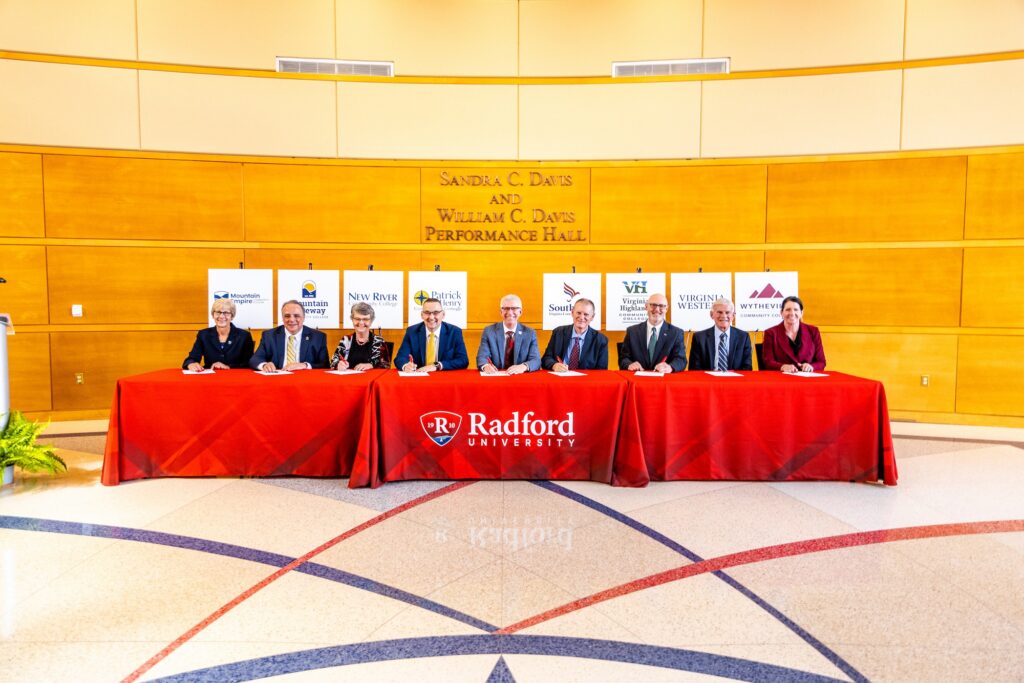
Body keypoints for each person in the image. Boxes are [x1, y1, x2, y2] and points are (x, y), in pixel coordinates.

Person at [249, 299, 329, 372]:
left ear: (304, 318)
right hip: (277, 380)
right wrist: (264, 365)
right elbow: (255, 359)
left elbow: (325, 364)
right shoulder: (269, 336)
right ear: (282, 318)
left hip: (305, 380)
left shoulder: (318, 337)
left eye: (296, 316)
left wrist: (304, 365)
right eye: (287, 316)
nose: (291, 320)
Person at [395, 298, 469, 372]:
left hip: (444, 379)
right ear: (422, 315)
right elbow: (400, 358)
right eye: (427, 312)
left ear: (443, 315)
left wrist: (438, 365)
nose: (431, 317)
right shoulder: (412, 332)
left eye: (436, 313)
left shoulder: (454, 332)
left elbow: (463, 360)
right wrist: (406, 366)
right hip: (419, 379)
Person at [618, 293, 686, 372]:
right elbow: (623, 358)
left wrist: (670, 367)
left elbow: (681, 360)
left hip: (664, 381)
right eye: (653, 305)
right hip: (638, 381)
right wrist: (629, 364)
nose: (657, 309)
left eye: (661, 306)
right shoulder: (632, 332)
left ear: (666, 309)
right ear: (646, 307)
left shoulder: (676, 333)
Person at [476, 294, 541, 374]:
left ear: (520, 312)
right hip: (496, 379)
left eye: (514, 308)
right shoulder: (489, 331)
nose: (510, 312)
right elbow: (482, 356)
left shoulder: (530, 333)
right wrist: (485, 365)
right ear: (501, 312)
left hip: (520, 379)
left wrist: (523, 366)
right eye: (506, 308)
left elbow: (536, 360)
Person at [183, 298, 254, 371]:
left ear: (232, 316)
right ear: (213, 315)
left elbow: (248, 363)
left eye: (226, 313)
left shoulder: (244, 336)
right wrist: (191, 364)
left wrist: (228, 367)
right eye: (218, 312)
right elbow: (191, 358)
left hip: (235, 378)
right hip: (211, 378)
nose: (221, 316)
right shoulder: (203, 335)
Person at [761, 295, 826, 373]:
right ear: (781, 313)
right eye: (788, 310)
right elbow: (767, 362)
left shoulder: (813, 331)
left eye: (796, 310)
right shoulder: (771, 333)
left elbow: (821, 362)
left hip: (807, 379)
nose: (792, 313)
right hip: (782, 380)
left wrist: (811, 366)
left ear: (801, 313)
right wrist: (782, 366)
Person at [541, 298, 608, 371]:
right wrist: (554, 365)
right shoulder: (558, 333)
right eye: (578, 313)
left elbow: (602, 371)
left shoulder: (601, 340)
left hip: (586, 381)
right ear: (572, 312)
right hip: (560, 379)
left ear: (592, 317)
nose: (582, 317)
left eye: (586, 314)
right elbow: (546, 359)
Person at [687, 297, 753, 371]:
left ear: (733, 316)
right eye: (719, 312)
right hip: (708, 380)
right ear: (712, 315)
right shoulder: (699, 338)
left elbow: (747, 367)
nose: (724, 316)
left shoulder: (743, 337)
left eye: (727, 312)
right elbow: (695, 369)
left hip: (735, 380)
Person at [330, 302, 391, 370]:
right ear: (352, 320)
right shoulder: (346, 340)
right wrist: (338, 365)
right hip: (349, 379)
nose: (361, 323)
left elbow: (386, 366)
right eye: (357, 319)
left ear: (371, 321)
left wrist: (371, 365)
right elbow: (333, 362)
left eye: (365, 319)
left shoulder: (379, 341)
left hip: (370, 379)